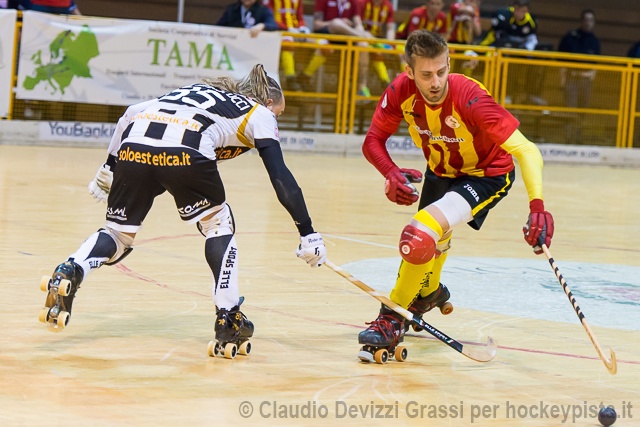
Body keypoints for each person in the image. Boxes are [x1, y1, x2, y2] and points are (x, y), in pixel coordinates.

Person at [38, 64, 327, 359]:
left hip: (134, 146)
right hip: (185, 150)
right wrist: (308, 232)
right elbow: (279, 175)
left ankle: (71, 269)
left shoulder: (198, 92)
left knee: (118, 234)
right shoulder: (260, 114)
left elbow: (131, 113)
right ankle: (228, 317)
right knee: (218, 224)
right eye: (279, 113)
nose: (277, 119)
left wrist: (109, 166)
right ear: (268, 102)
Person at [357, 30, 554, 360]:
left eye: (441, 71)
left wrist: (537, 206)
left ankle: (391, 318)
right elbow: (372, 141)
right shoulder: (401, 92)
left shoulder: (470, 97)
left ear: (449, 63)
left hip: (486, 175)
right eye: (426, 75)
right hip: (441, 170)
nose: (435, 82)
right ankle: (429, 293)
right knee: (430, 238)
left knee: (420, 233)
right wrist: (390, 173)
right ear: (409, 72)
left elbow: (527, 150)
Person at [296, 0, 371, 92]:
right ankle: (306, 75)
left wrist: (360, 29)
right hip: (327, 34)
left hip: (346, 36)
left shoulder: (354, 2)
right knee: (335, 27)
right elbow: (316, 25)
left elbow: (358, 23)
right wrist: (335, 23)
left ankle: (362, 87)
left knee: (363, 44)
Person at [264, 0, 311, 91]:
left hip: (296, 31)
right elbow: (270, 18)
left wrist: (302, 27)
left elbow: (300, 17)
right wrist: (287, 28)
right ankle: (290, 78)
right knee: (288, 42)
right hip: (278, 32)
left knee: (324, 45)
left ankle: (305, 75)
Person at [558, 9, 600, 109]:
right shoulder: (570, 37)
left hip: (586, 79)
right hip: (571, 76)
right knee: (570, 107)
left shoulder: (595, 41)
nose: (588, 23)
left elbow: (597, 62)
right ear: (581, 21)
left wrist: (592, 75)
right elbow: (561, 57)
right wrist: (562, 77)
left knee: (583, 108)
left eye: (591, 20)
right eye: (586, 20)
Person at [355, 0, 396, 96]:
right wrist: (366, 36)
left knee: (384, 52)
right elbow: (357, 25)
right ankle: (362, 87)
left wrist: (389, 43)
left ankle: (388, 84)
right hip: (361, 38)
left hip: (377, 41)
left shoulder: (387, 6)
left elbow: (390, 29)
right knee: (365, 47)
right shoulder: (362, 2)